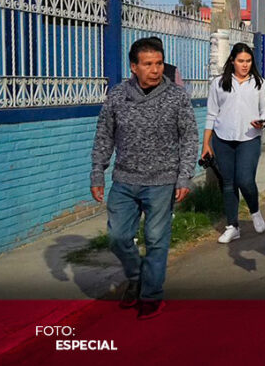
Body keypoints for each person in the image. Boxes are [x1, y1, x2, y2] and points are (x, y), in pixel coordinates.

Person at [90, 37, 199, 319]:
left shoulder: (176, 97)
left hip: (163, 181)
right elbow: (104, 135)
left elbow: (189, 138)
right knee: (117, 237)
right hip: (124, 180)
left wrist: (184, 177)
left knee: (155, 238)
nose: (155, 69)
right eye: (148, 64)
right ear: (134, 67)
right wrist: (97, 172)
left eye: (159, 63)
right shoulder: (117, 96)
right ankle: (136, 276)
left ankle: (151, 295)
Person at [202, 42, 265, 244]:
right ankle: (232, 226)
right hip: (222, 139)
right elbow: (211, 114)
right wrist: (206, 143)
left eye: (248, 61)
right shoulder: (218, 83)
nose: (245, 65)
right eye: (241, 61)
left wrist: (263, 121)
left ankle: (255, 210)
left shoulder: (259, 83)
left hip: (249, 138)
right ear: (232, 61)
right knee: (228, 183)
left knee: (245, 180)